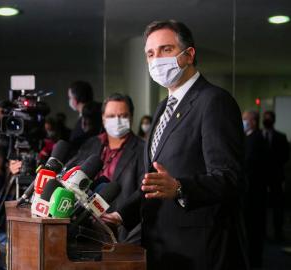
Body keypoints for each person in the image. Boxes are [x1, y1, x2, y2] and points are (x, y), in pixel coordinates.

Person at [102, 20, 248, 270]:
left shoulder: (214, 101)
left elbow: (230, 178)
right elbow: (155, 182)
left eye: (166, 50)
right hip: (163, 248)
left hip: (200, 250)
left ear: (189, 54)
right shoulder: (163, 108)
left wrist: (180, 188)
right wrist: (121, 215)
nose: (156, 59)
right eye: (150, 53)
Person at [66, 93, 144, 243]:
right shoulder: (91, 144)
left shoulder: (142, 150)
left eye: (123, 115)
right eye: (111, 116)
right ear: (103, 117)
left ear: (132, 117)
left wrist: (121, 216)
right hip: (82, 228)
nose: (117, 120)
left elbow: (143, 192)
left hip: (119, 235)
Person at [242, 110, 269, 267]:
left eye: (245, 119)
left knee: (254, 230)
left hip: (254, 193)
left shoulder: (256, 138)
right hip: (250, 192)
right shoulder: (249, 137)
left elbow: (249, 165)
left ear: (253, 121)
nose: (243, 121)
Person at [262, 110, 290, 241]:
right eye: (265, 118)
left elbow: (285, 157)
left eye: (268, 118)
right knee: (261, 206)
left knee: (277, 207)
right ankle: (262, 232)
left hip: (276, 177)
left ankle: (278, 232)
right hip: (260, 177)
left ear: (273, 120)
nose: (266, 120)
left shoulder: (281, 137)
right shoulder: (258, 136)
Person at [68, 81, 101, 153]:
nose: (69, 100)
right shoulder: (99, 111)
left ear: (76, 99)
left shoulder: (86, 119)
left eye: (70, 97)